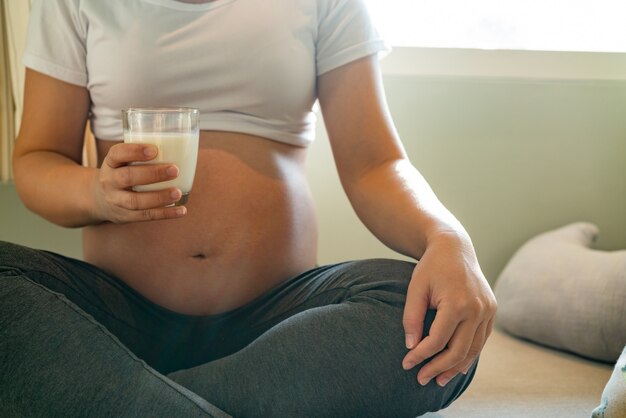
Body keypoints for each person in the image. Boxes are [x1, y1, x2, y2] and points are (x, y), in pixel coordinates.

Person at [0, 0, 497, 416]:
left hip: (277, 324)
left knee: (432, 317)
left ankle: (129, 395)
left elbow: (375, 164)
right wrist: (96, 193)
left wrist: (447, 238)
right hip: (115, 320)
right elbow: (37, 160)